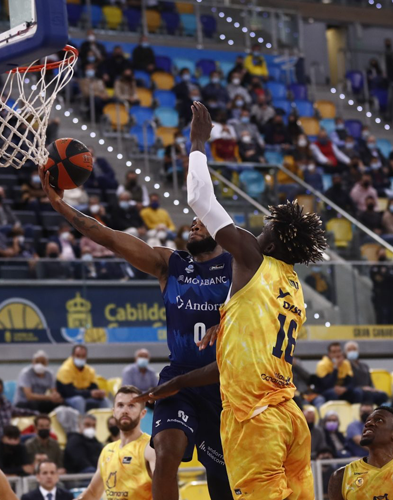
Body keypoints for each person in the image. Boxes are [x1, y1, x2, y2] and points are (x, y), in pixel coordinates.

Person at [133, 102, 326, 498]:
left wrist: (199, 140)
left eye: (263, 228)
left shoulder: (252, 259)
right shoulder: (293, 289)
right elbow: (238, 356)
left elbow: (200, 199)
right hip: (290, 416)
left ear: (271, 241)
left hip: (257, 419)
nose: (254, 231)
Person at [39, 162, 233, 500]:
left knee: (222, 477)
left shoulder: (237, 265)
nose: (195, 224)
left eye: (203, 221)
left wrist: (229, 319)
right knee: (166, 450)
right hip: (179, 378)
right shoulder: (169, 264)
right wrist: (60, 206)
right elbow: (110, 238)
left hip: (223, 382)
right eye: (193, 221)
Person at [76, 387, 156, 500]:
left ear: (142, 413)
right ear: (114, 412)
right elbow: (93, 493)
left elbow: (163, 493)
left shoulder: (151, 447)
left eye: (131, 405)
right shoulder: (107, 450)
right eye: (120, 405)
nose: (125, 410)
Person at [0, 378, 38, 453]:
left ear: (2, 390)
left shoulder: (6, 403)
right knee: (1, 442)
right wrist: (2, 438)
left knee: (33, 437)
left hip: (9, 436)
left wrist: (36, 413)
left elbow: (18, 411)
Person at [54, 345, 110, 414]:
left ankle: (106, 423)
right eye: (78, 355)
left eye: (83, 356)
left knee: (104, 400)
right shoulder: (65, 369)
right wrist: (90, 393)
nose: (80, 358)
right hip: (67, 399)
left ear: (86, 356)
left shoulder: (90, 370)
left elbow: (94, 388)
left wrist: (99, 393)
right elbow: (68, 392)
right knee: (79, 400)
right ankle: (82, 423)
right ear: (72, 356)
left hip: (86, 397)